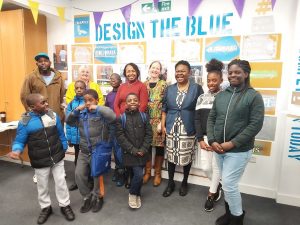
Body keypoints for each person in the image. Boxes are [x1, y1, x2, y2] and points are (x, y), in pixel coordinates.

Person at [207, 59, 264, 225]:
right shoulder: (222, 95)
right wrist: (212, 140)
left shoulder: (253, 96)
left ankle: (237, 217)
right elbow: (212, 118)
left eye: (237, 72)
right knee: (226, 183)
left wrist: (232, 144)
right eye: (230, 72)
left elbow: (255, 125)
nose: (233, 75)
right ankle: (229, 214)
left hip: (238, 150)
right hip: (219, 148)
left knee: (230, 184)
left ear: (246, 74)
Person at [8, 94, 75, 224]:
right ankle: (46, 207)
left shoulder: (52, 115)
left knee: (61, 182)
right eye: (43, 102)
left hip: (57, 155)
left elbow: (61, 133)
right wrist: (16, 150)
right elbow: (20, 140)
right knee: (42, 185)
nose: (46, 104)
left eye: (46, 101)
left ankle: (65, 205)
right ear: (32, 107)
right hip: (39, 159)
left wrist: (64, 145)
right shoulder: (25, 122)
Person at [66, 89, 115, 213]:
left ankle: (98, 197)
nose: (87, 103)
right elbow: (69, 121)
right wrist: (77, 110)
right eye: (85, 100)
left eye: (90, 100)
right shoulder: (81, 114)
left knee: (96, 176)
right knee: (79, 175)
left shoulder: (101, 113)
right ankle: (87, 197)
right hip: (83, 151)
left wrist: (97, 107)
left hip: (97, 150)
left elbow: (112, 116)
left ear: (96, 100)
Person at [20, 52, 66, 184]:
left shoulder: (58, 77)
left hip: (55, 114)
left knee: (56, 141)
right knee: (39, 144)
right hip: (38, 117)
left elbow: (62, 93)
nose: (43, 63)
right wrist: (31, 111)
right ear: (37, 64)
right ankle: (38, 172)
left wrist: (61, 109)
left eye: (45, 60)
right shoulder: (31, 77)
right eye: (40, 61)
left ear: (50, 62)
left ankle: (59, 170)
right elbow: (24, 96)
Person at [161, 60, 203, 197]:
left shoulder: (196, 88)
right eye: (177, 71)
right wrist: (163, 125)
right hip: (172, 127)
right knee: (171, 157)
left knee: (186, 156)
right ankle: (171, 182)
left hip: (188, 127)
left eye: (183, 71)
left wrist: (200, 129)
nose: (180, 73)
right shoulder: (169, 89)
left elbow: (201, 110)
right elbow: (164, 109)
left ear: (189, 72)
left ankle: (184, 182)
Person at [195, 59, 224, 212]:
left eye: (214, 80)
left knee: (216, 166)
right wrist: (200, 139)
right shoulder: (201, 98)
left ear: (221, 80)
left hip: (219, 140)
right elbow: (197, 119)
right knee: (206, 167)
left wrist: (218, 140)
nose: (211, 83)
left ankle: (211, 194)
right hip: (205, 138)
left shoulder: (225, 97)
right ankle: (217, 184)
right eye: (209, 80)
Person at [114, 63, 149, 188]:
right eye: (128, 71)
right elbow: (116, 104)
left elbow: (143, 105)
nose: (131, 73)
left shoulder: (142, 86)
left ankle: (133, 176)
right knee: (124, 150)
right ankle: (124, 173)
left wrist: (133, 118)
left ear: (137, 72)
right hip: (123, 122)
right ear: (125, 73)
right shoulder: (122, 86)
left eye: (133, 71)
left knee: (134, 148)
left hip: (136, 123)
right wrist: (120, 118)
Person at [115, 93, 152, 209]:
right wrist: (134, 150)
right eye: (129, 100)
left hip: (142, 152)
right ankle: (136, 192)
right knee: (133, 174)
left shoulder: (144, 117)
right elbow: (121, 137)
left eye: (135, 100)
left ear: (139, 102)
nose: (132, 102)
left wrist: (143, 149)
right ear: (126, 103)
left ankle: (133, 194)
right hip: (129, 153)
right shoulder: (121, 118)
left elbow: (149, 134)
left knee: (138, 175)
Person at [143, 61, 167, 187]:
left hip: (158, 121)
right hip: (145, 121)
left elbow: (166, 104)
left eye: (158, 68)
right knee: (146, 147)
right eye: (153, 67)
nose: (155, 70)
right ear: (149, 68)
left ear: (160, 71)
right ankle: (147, 172)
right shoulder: (143, 84)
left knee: (159, 148)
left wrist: (162, 123)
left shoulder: (164, 85)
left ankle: (157, 173)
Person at [66, 80, 86, 191]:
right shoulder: (71, 103)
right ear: (74, 89)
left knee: (87, 161)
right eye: (77, 88)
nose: (79, 90)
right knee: (77, 160)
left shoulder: (88, 103)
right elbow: (68, 122)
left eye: (81, 88)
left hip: (85, 138)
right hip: (76, 139)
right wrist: (69, 138)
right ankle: (78, 181)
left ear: (85, 89)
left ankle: (88, 180)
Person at [105, 73, 124, 187]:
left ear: (120, 81)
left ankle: (122, 173)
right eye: (110, 79)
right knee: (114, 149)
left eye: (114, 79)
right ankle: (117, 170)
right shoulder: (109, 95)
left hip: (120, 125)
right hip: (110, 126)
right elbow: (106, 109)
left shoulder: (123, 94)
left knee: (119, 151)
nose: (112, 80)